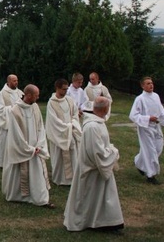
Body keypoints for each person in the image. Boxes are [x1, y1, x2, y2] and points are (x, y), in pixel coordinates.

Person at [64, 97, 124, 233]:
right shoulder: (92, 127)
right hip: (92, 169)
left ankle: (105, 221)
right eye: (108, 108)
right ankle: (91, 221)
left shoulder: (98, 123)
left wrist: (109, 151)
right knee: (89, 197)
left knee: (104, 197)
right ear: (104, 109)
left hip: (99, 167)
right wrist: (113, 153)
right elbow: (96, 152)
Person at [1, 84, 54, 208]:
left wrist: (40, 145)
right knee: (20, 172)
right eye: (36, 95)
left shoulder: (35, 107)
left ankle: (40, 198)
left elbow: (41, 127)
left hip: (36, 149)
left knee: (37, 174)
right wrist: (28, 149)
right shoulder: (15, 110)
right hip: (23, 149)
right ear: (29, 95)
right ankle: (18, 195)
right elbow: (15, 134)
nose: (38, 97)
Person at [129, 77, 164, 185]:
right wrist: (148, 118)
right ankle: (151, 175)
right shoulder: (140, 99)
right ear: (142, 86)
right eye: (148, 83)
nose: (151, 85)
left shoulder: (156, 96)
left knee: (158, 148)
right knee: (150, 151)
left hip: (156, 126)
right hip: (146, 128)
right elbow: (133, 115)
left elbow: (161, 110)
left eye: (152, 83)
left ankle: (139, 163)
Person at [45, 78, 82, 186]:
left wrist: (73, 124)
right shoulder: (51, 103)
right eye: (63, 89)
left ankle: (73, 178)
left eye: (66, 89)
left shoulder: (69, 100)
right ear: (57, 88)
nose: (66, 91)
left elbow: (75, 114)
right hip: (59, 135)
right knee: (59, 159)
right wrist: (67, 127)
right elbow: (53, 121)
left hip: (70, 133)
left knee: (73, 156)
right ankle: (60, 179)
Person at [0, 74, 24, 168]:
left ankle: (16, 159)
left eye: (17, 80)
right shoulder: (2, 93)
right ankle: (2, 162)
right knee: (4, 143)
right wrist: (15, 107)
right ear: (9, 81)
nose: (16, 82)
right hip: (7, 123)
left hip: (18, 122)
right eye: (14, 81)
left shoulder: (20, 92)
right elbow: (1, 110)